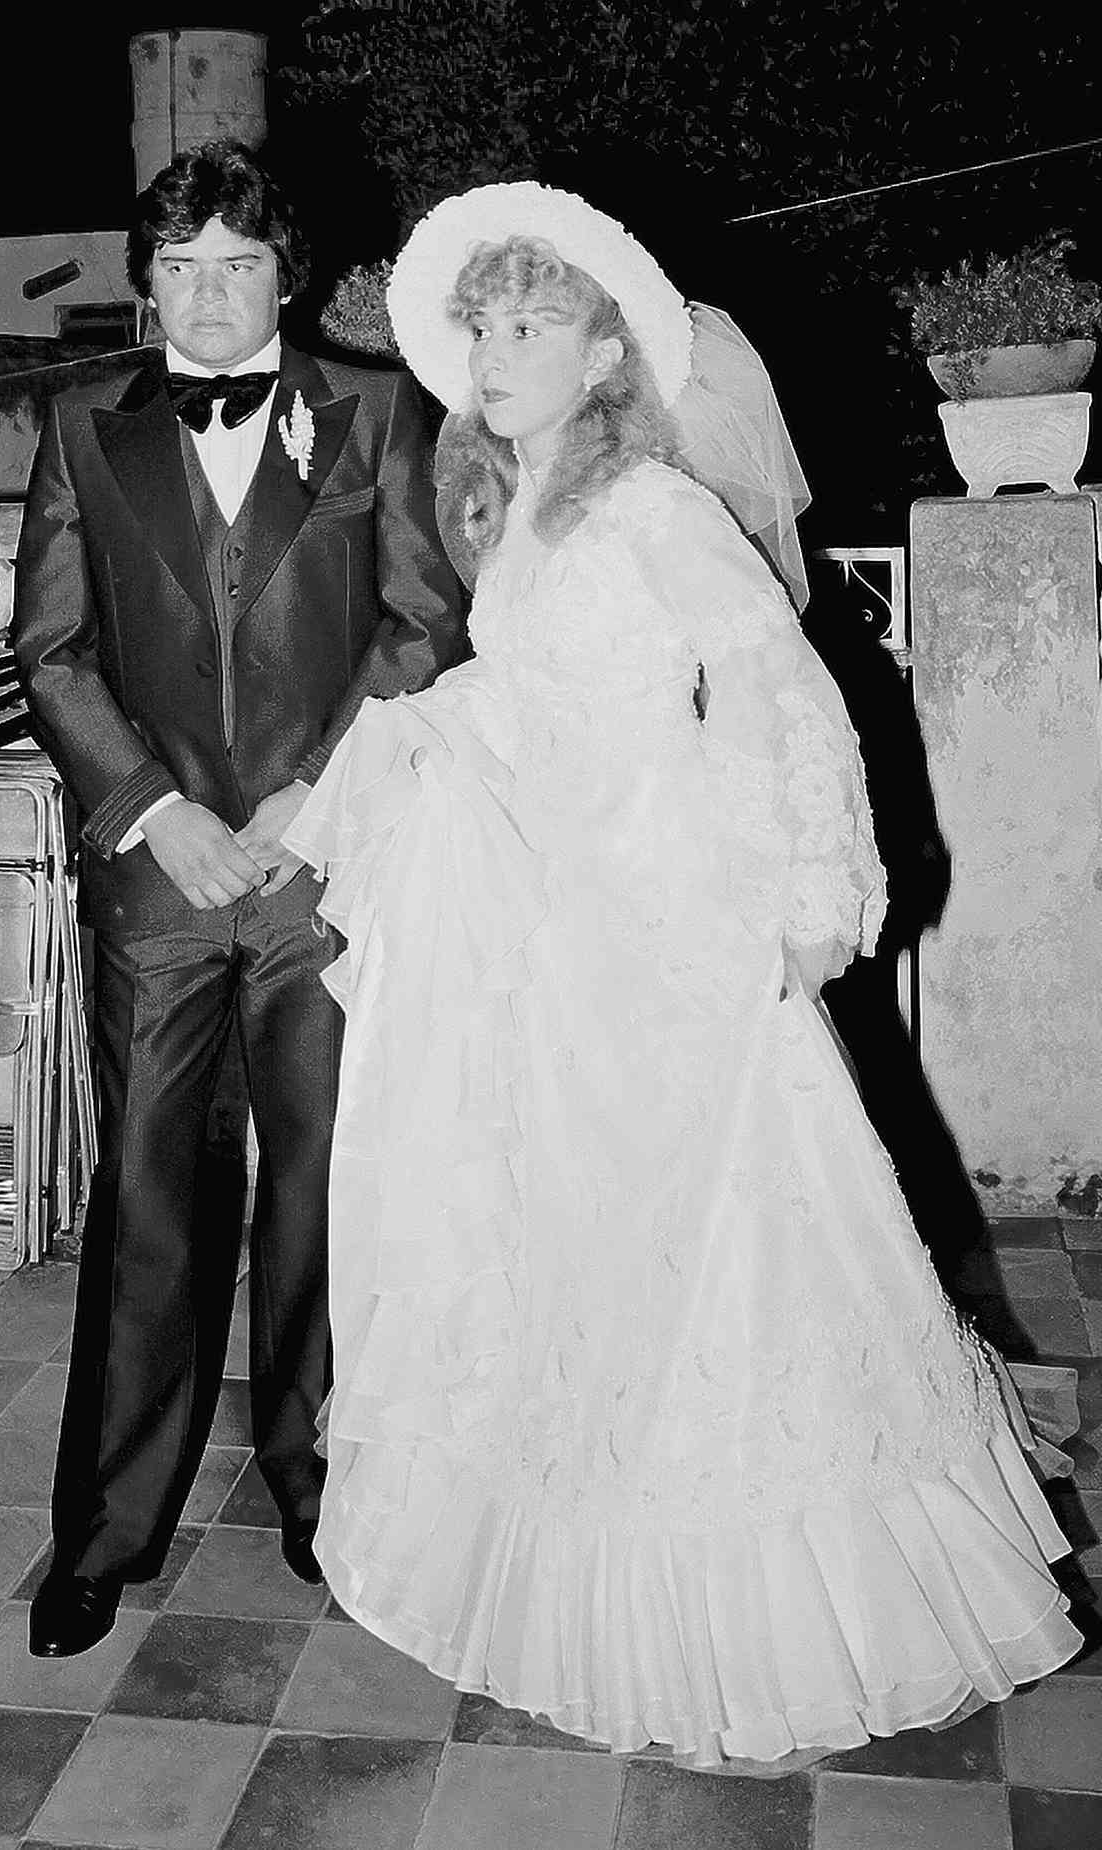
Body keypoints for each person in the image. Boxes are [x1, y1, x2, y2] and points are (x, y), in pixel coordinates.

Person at [279, 181, 1082, 1772]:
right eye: (483, 326)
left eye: (532, 325)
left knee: (730, 1266)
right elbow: (537, 703)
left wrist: (814, 884)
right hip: (570, 942)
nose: (496, 351)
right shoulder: (526, 512)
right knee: (593, 1264)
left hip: (681, 937)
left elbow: (790, 689)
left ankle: (773, 1618)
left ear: (601, 360)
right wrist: (422, 744)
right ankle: (599, 1574)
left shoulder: (658, 507)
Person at [12, 140, 466, 1658]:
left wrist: (302, 801)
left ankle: (323, 1481)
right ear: (146, 288)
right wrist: (153, 812)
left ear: (287, 272)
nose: (210, 300)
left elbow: (419, 621)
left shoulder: (378, 410)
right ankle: (108, 1528)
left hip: (321, 879)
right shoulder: (80, 424)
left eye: (239, 266)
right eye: (181, 271)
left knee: (328, 1191)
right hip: (156, 887)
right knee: (145, 1199)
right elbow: (52, 651)